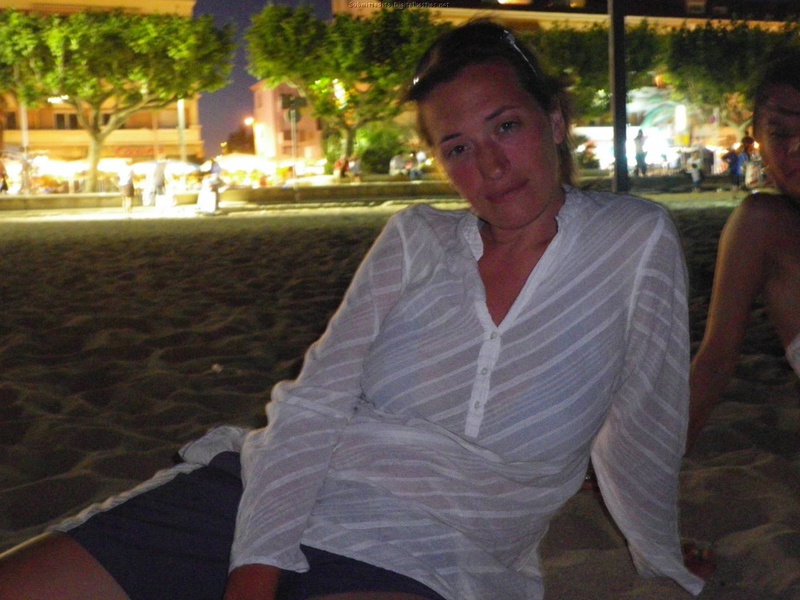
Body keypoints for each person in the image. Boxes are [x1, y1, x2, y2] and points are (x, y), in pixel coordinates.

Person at [0, 21, 705, 600]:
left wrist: (661, 558)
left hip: (434, 547)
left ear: (554, 120)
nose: (489, 166)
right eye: (459, 147)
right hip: (268, 496)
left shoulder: (632, 239)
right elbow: (314, 402)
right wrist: (255, 569)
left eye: (506, 126)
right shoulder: (415, 238)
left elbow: (645, 414)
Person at [687, 50, 800, 450]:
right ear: (757, 139)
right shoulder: (765, 226)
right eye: (780, 133)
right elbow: (715, 361)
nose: (796, 147)